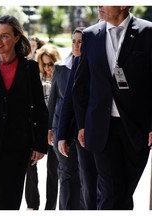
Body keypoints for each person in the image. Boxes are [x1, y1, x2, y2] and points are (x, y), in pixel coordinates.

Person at [72, 6, 152, 210]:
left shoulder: (147, 32)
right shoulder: (90, 35)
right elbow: (81, 84)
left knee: (124, 191)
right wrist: (82, 124)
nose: (99, 5)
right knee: (110, 190)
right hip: (101, 127)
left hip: (137, 129)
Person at [0, 14, 48, 210]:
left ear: (16, 37)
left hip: (17, 145)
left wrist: (40, 144)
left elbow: (39, 107)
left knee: (10, 201)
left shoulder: (30, 68)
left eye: (4, 36)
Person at [49, 27, 97, 210]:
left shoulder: (94, 68)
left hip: (85, 131)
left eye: (81, 42)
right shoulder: (61, 67)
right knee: (66, 175)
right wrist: (49, 129)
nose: (77, 45)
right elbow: (54, 99)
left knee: (86, 177)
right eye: (74, 41)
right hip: (62, 129)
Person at [25, 43, 61, 210]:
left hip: (55, 129)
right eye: (44, 64)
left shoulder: (62, 75)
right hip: (37, 129)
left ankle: (50, 207)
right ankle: (33, 204)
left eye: (50, 64)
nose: (47, 68)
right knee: (30, 167)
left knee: (53, 171)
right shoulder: (36, 77)